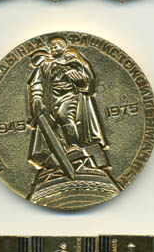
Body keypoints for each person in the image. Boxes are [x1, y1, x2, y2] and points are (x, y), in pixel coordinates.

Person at [27, 37, 107, 169]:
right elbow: (37, 83)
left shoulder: (74, 61)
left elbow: (88, 83)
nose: (53, 48)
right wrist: (36, 98)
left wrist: (82, 83)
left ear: (64, 48)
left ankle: (73, 146)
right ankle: (58, 154)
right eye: (52, 46)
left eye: (57, 45)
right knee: (51, 125)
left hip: (70, 96)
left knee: (64, 116)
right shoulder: (45, 65)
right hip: (50, 99)